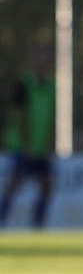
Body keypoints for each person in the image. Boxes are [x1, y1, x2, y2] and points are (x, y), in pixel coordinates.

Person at [0, 45, 56, 228]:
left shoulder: (50, 85)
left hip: (40, 146)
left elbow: (50, 116)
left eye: (44, 58)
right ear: (32, 61)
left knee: (47, 185)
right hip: (22, 146)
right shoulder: (24, 83)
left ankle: (37, 225)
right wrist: (26, 144)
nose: (42, 62)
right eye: (38, 58)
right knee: (14, 184)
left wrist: (49, 144)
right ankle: (2, 220)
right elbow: (19, 115)